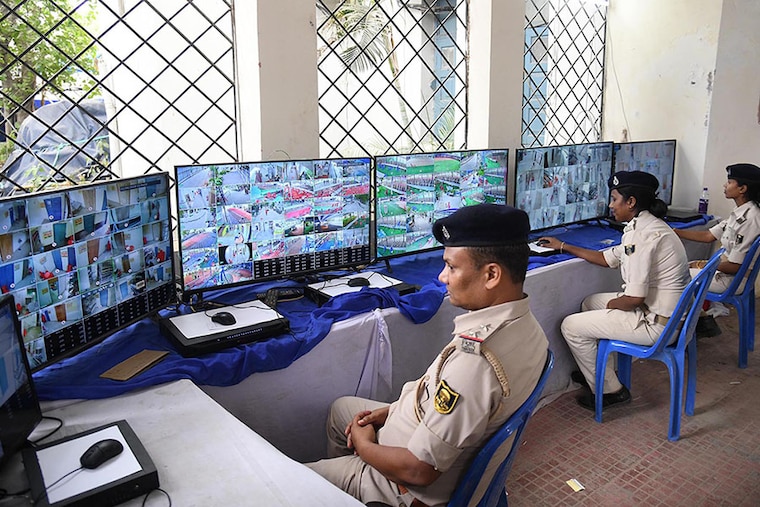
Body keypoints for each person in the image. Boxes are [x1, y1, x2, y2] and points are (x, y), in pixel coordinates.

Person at [306, 204, 549, 507]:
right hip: (420, 434)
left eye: (452, 267)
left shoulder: (476, 363)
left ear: (491, 275)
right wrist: (391, 412)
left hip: (407, 488)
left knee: (293, 478)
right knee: (341, 409)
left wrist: (365, 446)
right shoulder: (527, 326)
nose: (443, 277)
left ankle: (361, 481)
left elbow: (418, 471)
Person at [538, 171, 690, 410]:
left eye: (614, 198)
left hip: (659, 325)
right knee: (590, 302)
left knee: (570, 326)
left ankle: (611, 392)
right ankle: (598, 373)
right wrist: (563, 246)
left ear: (631, 202)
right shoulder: (646, 225)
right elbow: (607, 258)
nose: (610, 205)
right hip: (662, 312)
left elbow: (633, 299)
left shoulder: (643, 235)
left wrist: (612, 306)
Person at [673, 163, 760, 336]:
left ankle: (685, 330)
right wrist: (674, 232)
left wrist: (703, 264)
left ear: (742, 188)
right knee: (685, 268)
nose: (724, 186)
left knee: (674, 275)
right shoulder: (740, 213)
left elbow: (736, 266)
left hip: (732, 279)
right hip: (726, 271)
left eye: (729, 182)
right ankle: (700, 321)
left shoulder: (750, 219)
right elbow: (708, 236)